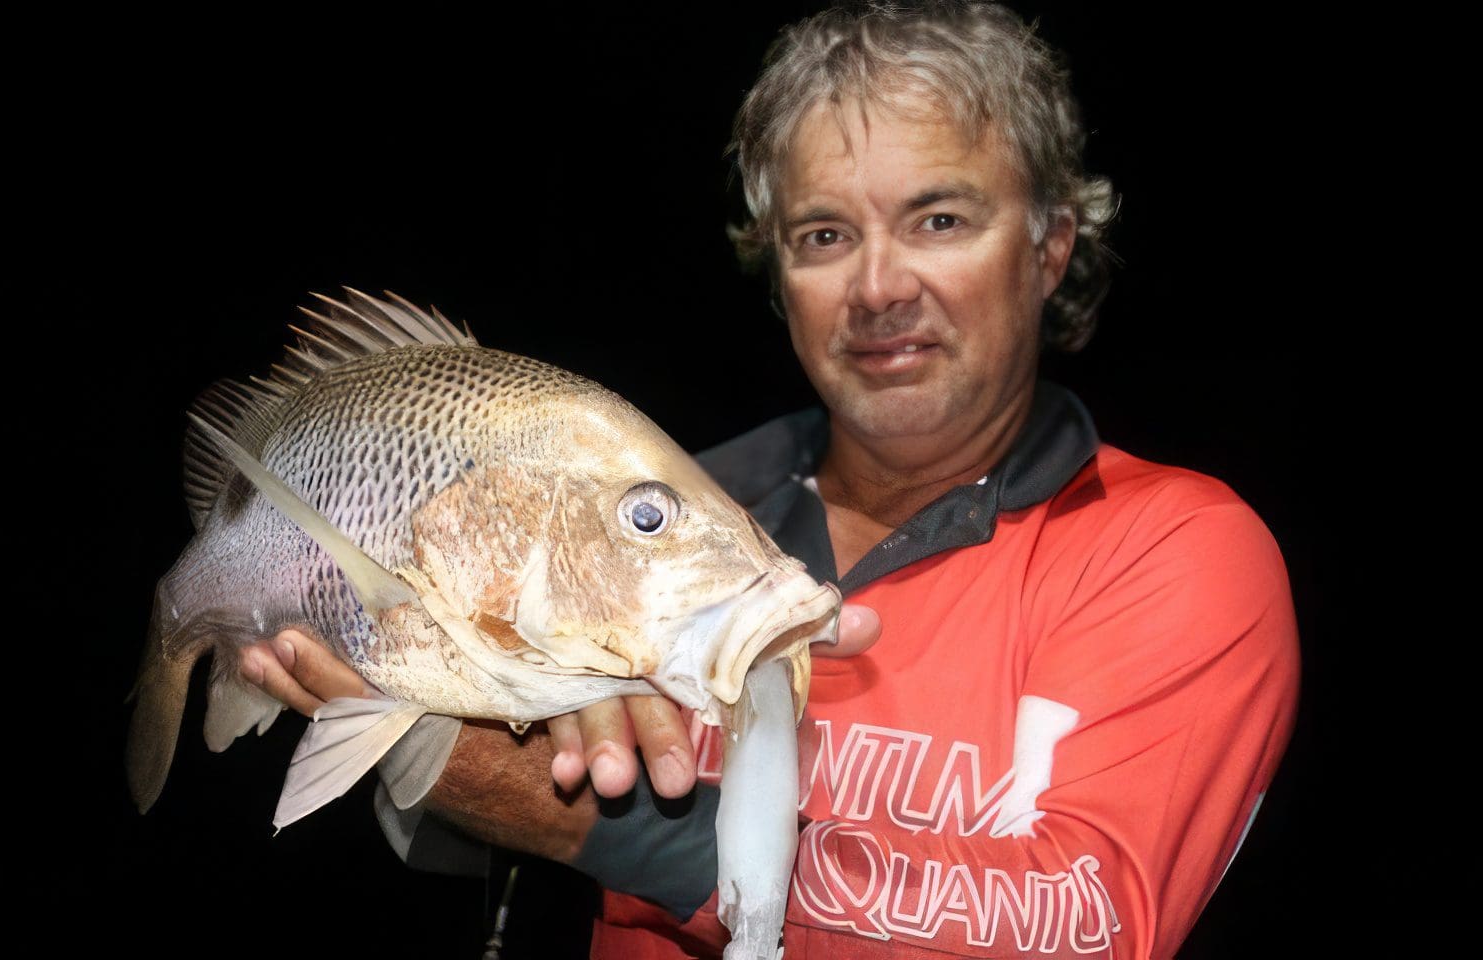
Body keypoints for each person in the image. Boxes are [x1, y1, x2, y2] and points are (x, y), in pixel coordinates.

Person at [238, 2, 1299, 957]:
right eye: (825, 235)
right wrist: (449, 722)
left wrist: (606, 828)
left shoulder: (1173, 551)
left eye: (940, 219)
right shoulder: (654, 519)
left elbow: (1092, 926)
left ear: (1050, 245)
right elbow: (460, 846)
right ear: (777, 272)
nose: (879, 287)